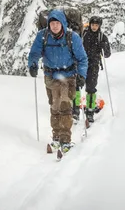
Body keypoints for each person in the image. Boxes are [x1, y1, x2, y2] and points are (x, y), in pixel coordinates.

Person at [28, 9, 88, 151]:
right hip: (50, 76)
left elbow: (82, 59)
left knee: (65, 108)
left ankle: (65, 139)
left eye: (57, 23)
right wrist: (33, 64)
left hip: (68, 76)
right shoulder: (43, 36)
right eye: (52, 23)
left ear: (63, 23)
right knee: (54, 107)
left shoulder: (72, 37)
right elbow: (34, 53)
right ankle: (56, 137)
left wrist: (82, 75)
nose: (54, 26)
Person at [73, 16, 111, 123]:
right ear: (89, 24)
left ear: (99, 26)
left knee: (91, 88)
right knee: (76, 85)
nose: (94, 27)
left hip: (94, 65)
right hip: (81, 63)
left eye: (96, 25)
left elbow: (107, 54)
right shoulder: (84, 34)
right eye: (92, 25)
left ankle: (90, 112)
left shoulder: (102, 37)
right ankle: (75, 110)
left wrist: (104, 46)